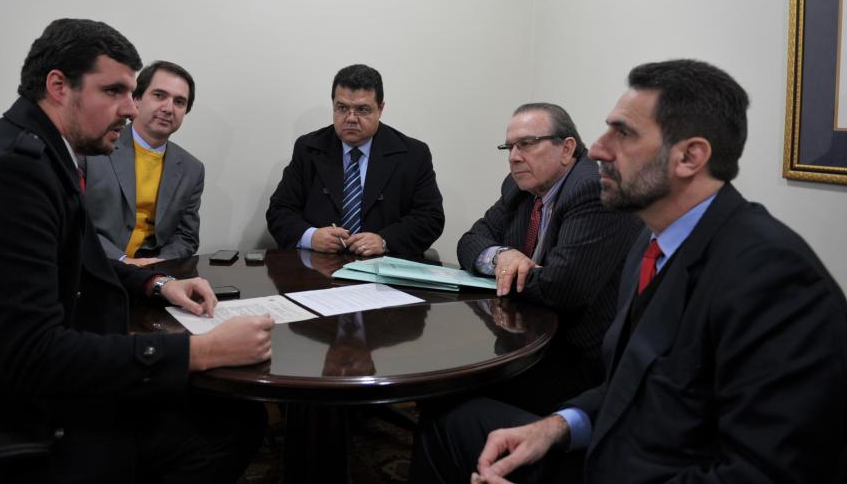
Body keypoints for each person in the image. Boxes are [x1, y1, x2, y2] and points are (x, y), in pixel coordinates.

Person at [420, 59, 847, 484]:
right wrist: (559, 426)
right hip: (616, 443)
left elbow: (765, 471)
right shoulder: (651, 244)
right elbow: (628, 384)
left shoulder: (777, 279)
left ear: (690, 156)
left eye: (623, 134)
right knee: (450, 423)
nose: (597, 150)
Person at [0, 19, 275, 483]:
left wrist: (157, 283)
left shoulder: (41, 152)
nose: (130, 109)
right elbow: (36, 355)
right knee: (228, 428)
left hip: (11, 388)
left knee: (231, 415)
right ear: (58, 86)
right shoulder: (10, 175)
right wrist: (200, 351)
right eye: (114, 91)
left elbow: (84, 259)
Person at [454, 103, 642, 413]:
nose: (514, 157)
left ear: (566, 148)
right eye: (509, 147)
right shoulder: (519, 186)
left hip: (579, 357)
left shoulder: (595, 190)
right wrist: (502, 256)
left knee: (457, 394)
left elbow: (562, 287)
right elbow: (470, 241)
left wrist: (512, 273)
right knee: (453, 377)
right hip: (527, 335)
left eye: (526, 144)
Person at [266, 64, 445, 258]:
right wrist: (311, 236)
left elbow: (430, 218)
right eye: (342, 108)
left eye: (362, 109)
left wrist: (385, 241)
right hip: (318, 265)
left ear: (380, 109)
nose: (351, 118)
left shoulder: (413, 154)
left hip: (383, 266)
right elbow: (279, 211)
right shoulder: (308, 148)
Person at [83, 60, 204, 266]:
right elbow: (75, 223)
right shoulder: (91, 148)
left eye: (179, 102)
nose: (168, 108)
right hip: (96, 267)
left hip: (154, 272)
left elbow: (186, 236)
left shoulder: (192, 169)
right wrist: (124, 261)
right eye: (159, 95)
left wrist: (158, 264)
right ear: (136, 99)